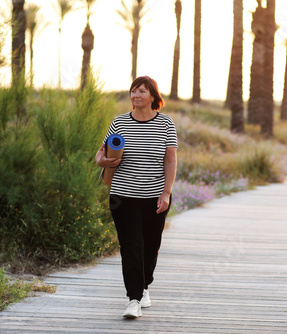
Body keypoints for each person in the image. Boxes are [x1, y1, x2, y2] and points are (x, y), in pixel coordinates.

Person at [95, 76, 178, 318]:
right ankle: (133, 299)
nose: (136, 95)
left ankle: (144, 286)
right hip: (123, 195)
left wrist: (166, 193)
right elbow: (100, 153)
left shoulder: (165, 124)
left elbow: (170, 159)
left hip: (154, 196)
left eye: (142, 91)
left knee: (151, 246)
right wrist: (103, 160)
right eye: (133, 91)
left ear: (153, 96)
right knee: (131, 245)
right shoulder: (119, 123)